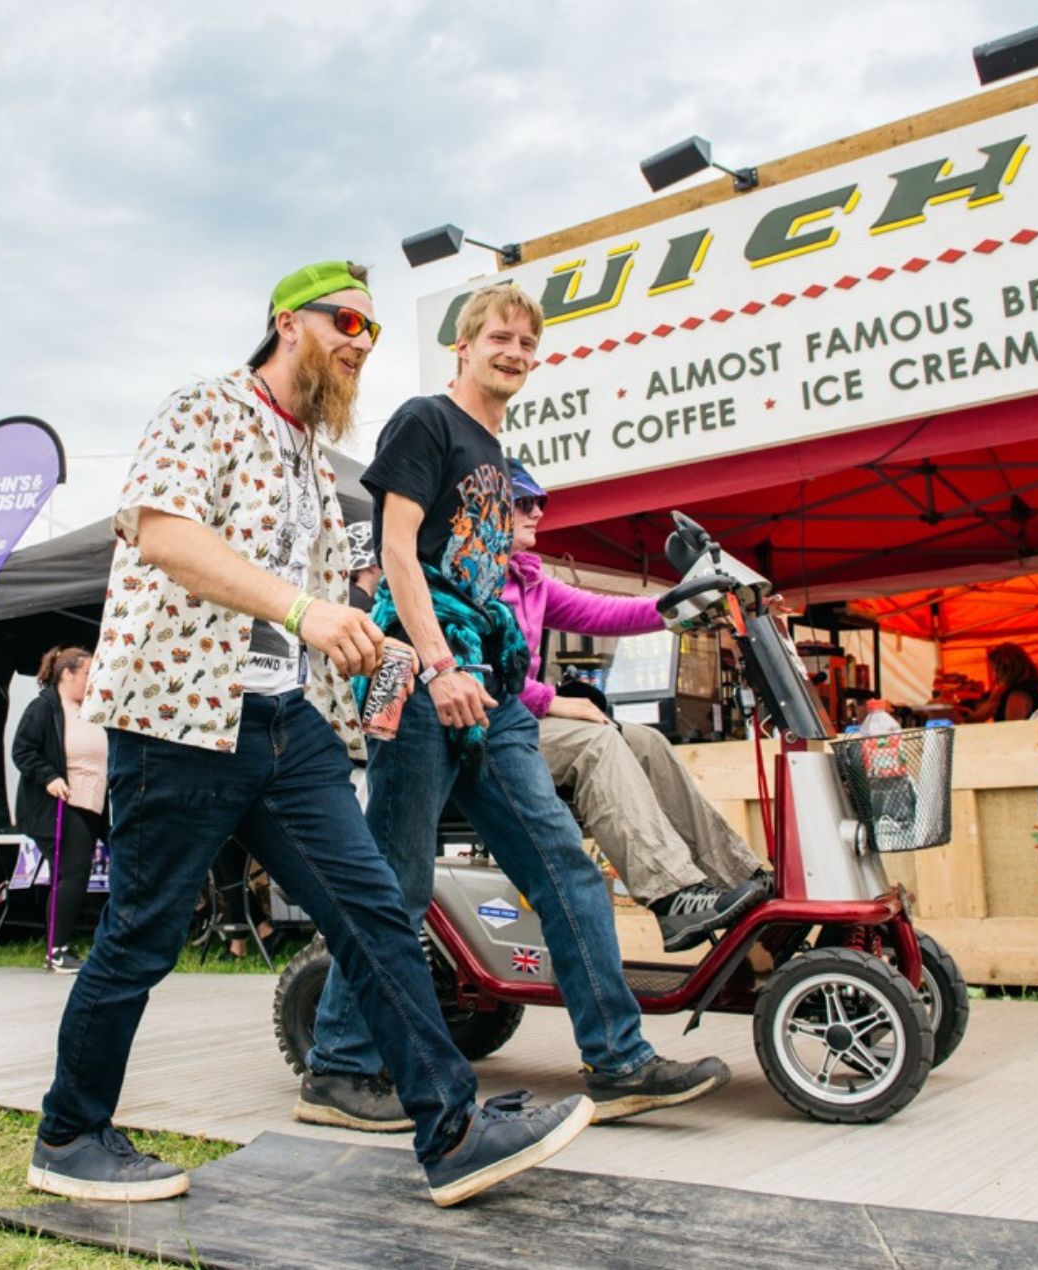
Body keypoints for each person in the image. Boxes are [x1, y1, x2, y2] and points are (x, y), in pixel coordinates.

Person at [28, 261, 590, 1209]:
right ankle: (70, 1133)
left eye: (371, 333)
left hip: (288, 725)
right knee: (141, 938)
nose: (359, 343)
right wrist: (301, 611)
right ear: (287, 320)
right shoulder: (204, 407)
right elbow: (163, 534)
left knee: (377, 913)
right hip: (182, 721)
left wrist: (421, 659)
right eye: (346, 321)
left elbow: (346, 601)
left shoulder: (309, 463)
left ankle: (451, 1131)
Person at [303, 283, 728, 1133]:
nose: (517, 354)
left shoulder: (496, 452)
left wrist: (680, 604)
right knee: (399, 878)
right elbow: (395, 552)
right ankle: (339, 1067)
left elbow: (553, 600)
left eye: (529, 345)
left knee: (563, 865)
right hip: (422, 680)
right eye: (502, 338)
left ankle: (618, 1062)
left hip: (490, 695)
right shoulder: (427, 421)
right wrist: (437, 664)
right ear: (463, 346)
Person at [501, 460, 771, 952]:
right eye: (523, 502)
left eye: (541, 501)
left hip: (522, 721)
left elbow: (604, 611)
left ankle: (745, 880)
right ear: (487, 508)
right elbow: (470, 672)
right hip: (488, 727)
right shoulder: (472, 581)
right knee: (595, 741)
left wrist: (681, 604)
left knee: (645, 740)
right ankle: (673, 897)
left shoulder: (529, 580)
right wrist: (550, 701)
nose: (537, 511)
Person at [11, 645, 105, 973]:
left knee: (86, 870)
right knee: (72, 872)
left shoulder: (91, 707)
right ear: (67, 674)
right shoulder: (45, 707)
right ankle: (56, 949)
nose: (93, 679)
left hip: (95, 801)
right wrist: (49, 776)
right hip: (62, 803)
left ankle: (97, 944)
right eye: (87, 673)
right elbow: (22, 750)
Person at [969, 642, 1038, 722]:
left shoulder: (1018, 693)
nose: (995, 676)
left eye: (996, 670)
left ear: (1006, 669)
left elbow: (1013, 732)